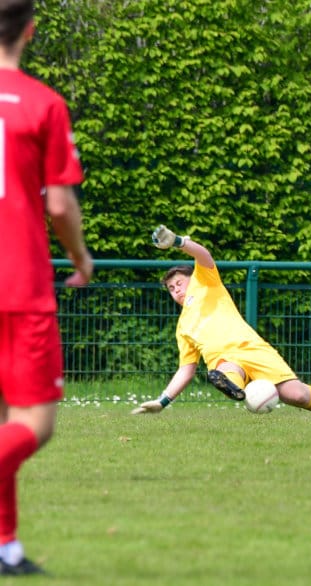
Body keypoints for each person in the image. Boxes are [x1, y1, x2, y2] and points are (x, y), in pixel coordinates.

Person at [0, 0, 94, 575]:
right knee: (32, 423)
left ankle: (5, 546)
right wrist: (81, 258)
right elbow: (59, 204)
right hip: (19, 282)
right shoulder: (43, 104)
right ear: (30, 31)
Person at [131, 226, 311, 416]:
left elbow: (203, 255)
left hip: (253, 349)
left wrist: (179, 242)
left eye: (179, 283)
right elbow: (186, 370)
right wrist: (162, 401)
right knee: (227, 371)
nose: (176, 289)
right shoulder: (183, 327)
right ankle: (231, 385)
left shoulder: (205, 283)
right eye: (171, 288)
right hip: (224, 360)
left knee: (297, 395)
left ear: (193, 278)